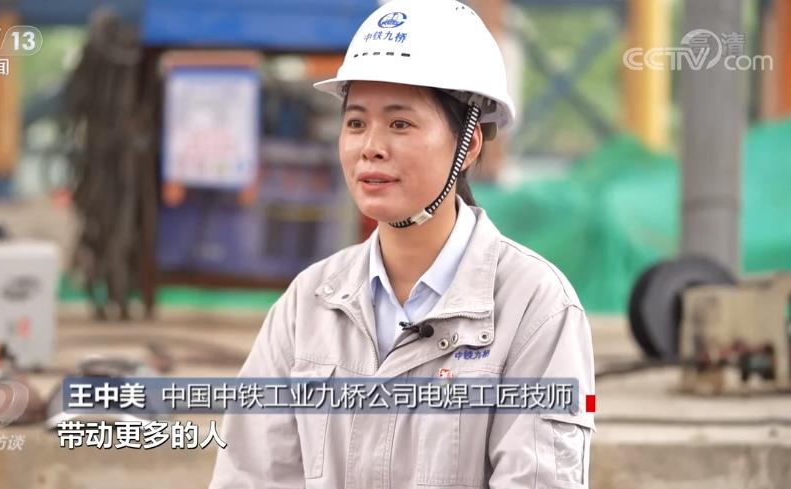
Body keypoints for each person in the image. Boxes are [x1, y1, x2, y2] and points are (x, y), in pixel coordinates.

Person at [208, 0, 595, 487]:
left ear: (469, 144)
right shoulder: (308, 304)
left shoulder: (535, 307)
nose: (370, 146)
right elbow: (250, 474)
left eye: (400, 124)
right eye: (356, 123)